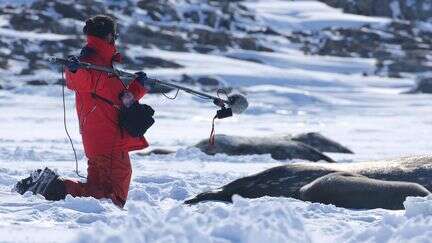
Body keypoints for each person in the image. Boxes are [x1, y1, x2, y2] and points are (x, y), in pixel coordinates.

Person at [14, 15, 152, 208]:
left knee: (97, 192)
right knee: (112, 199)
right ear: (110, 36)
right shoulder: (91, 62)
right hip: (108, 142)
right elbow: (80, 81)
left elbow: (120, 99)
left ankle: (49, 186)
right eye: (116, 35)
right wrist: (74, 70)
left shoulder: (102, 64)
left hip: (99, 142)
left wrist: (139, 87)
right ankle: (52, 187)